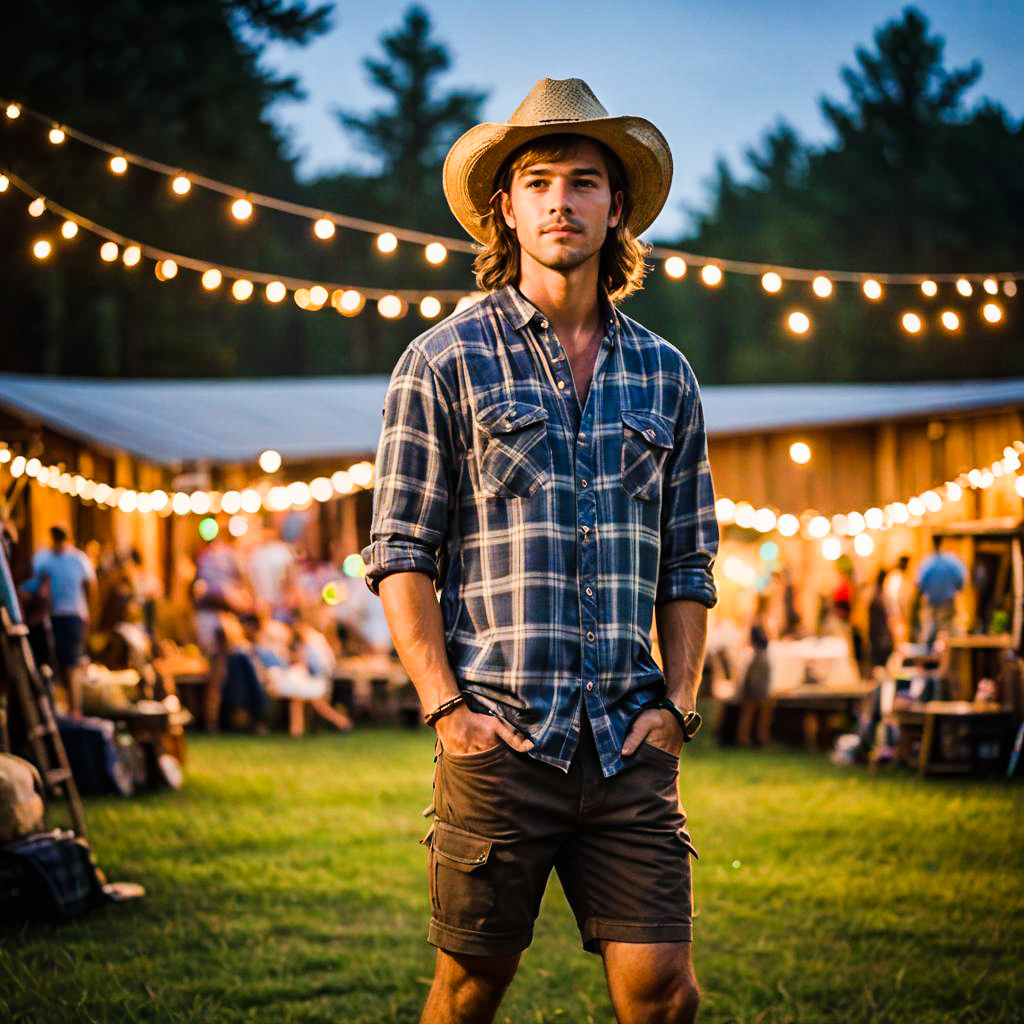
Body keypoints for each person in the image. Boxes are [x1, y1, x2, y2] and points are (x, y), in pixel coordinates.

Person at [363, 78, 718, 1024]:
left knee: (664, 994)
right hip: (500, 737)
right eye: (538, 181)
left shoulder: (666, 374)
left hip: (628, 741)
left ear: (619, 207)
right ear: (506, 209)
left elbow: (690, 563)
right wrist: (447, 708)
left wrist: (677, 706)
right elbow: (400, 552)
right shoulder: (441, 361)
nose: (562, 200)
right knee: (473, 986)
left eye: (586, 180)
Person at [24, 524, 96, 716]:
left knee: (71, 663)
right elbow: (31, 586)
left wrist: (87, 611)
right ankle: (54, 709)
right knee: (51, 662)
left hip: (72, 614)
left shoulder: (78, 559)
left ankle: (74, 710)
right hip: (49, 616)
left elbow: (90, 586)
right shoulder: (43, 558)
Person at [917, 535, 967, 643]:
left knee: (931, 635)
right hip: (947, 605)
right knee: (949, 634)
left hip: (933, 605)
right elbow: (961, 582)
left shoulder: (928, 563)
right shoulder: (952, 561)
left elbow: (920, 585)